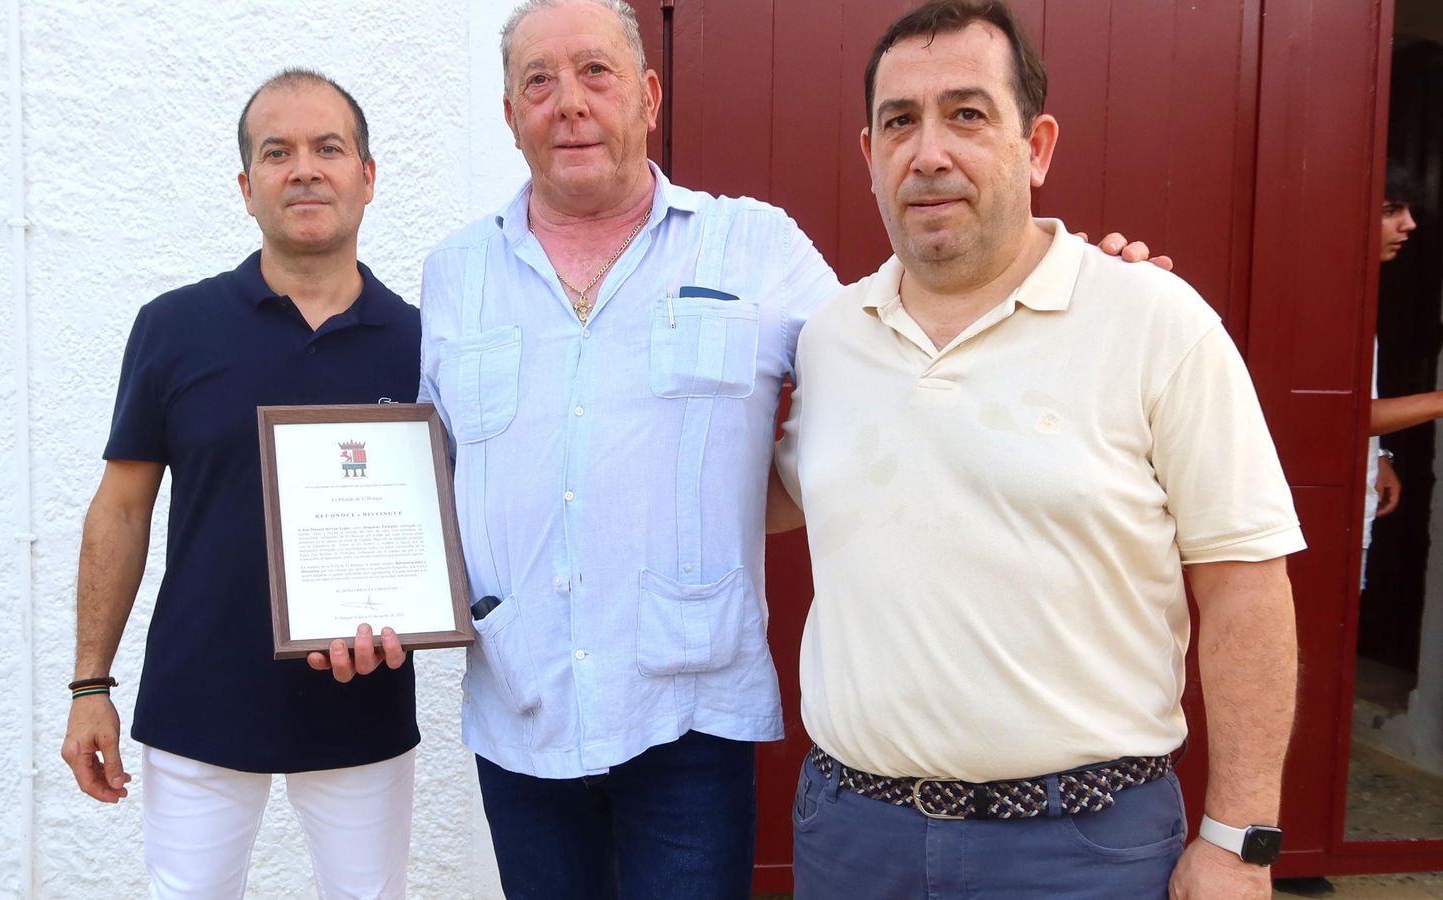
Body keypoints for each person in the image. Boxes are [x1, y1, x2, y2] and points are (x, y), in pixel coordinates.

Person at [315, 2, 1162, 895]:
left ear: (647, 96)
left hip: (688, 717)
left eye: (596, 74)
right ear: (509, 115)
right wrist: (368, 596)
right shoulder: (456, 272)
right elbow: (427, 475)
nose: (569, 102)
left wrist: (1065, 287)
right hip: (522, 713)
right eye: (539, 81)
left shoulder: (754, 245)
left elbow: (902, 348)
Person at [771, 2, 1303, 898]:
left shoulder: (1154, 322)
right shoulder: (830, 337)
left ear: (1039, 146)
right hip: (854, 841)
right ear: (869, 158)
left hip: (1086, 851)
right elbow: (779, 496)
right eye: (899, 121)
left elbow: (1245, 584)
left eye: (968, 115)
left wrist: (1238, 838)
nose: (929, 152)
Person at [60, 69, 419, 899]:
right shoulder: (173, 328)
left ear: (367, 177)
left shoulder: (424, 343)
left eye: (329, 148)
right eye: (276, 152)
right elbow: (120, 509)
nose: (304, 169)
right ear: (246, 186)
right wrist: (89, 686)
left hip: (363, 697)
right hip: (200, 700)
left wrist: (438, 616)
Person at [1363, 162, 1424, 575]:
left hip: (1357, 494)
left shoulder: (1358, 288)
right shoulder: (1328, 297)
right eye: (1390, 211)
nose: (1410, 224)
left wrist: (1377, 456)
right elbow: (1345, 417)